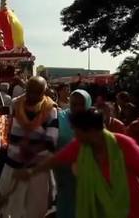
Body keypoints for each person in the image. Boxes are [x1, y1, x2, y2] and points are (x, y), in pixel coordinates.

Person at [14, 109, 139, 218]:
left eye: (77, 132)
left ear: (92, 131)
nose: (75, 135)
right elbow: (56, 159)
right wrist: (31, 172)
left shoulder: (125, 145)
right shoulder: (81, 146)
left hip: (134, 212)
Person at [0, 76, 58, 218]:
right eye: (30, 91)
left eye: (37, 92)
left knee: (36, 210)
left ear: (44, 92)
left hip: (36, 170)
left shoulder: (51, 110)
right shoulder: (15, 104)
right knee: (9, 207)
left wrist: (30, 152)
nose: (33, 95)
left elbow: (51, 140)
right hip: (13, 165)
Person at [55, 89, 92, 218]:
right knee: (65, 202)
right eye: (74, 104)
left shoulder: (93, 120)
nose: (77, 108)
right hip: (63, 171)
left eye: (81, 104)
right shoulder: (60, 117)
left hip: (87, 172)